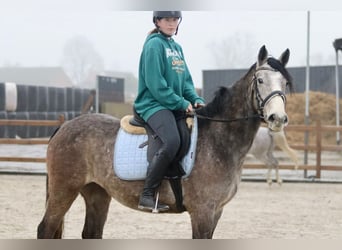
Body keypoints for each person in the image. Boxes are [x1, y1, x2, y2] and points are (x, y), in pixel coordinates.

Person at [133, 11, 205, 212]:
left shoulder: (176, 47)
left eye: (175, 20)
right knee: (172, 141)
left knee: (184, 139)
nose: (172, 23)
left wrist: (195, 99)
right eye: (167, 20)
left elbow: (186, 82)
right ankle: (147, 194)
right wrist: (180, 102)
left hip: (171, 104)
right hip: (153, 104)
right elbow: (156, 84)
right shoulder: (153, 45)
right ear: (157, 21)